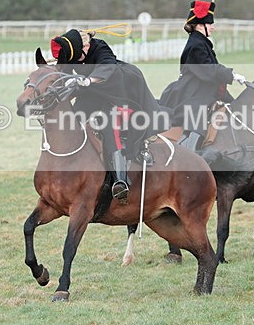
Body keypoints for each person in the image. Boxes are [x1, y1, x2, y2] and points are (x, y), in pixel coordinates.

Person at [50, 28, 168, 201]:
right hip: (91, 93)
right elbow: (65, 73)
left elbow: (106, 67)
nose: (78, 60)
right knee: (72, 120)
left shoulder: (100, 48)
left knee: (110, 127)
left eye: (80, 56)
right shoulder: (75, 53)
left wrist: (88, 80)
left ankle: (121, 181)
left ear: (87, 46)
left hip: (116, 93)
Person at [159, 0, 246, 151]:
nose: (213, 27)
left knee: (234, 108)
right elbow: (209, 69)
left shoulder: (201, 42)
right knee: (197, 115)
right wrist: (231, 74)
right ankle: (190, 150)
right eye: (210, 24)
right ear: (200, 25)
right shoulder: (196, 45)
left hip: (204, 88)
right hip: (192, 92)